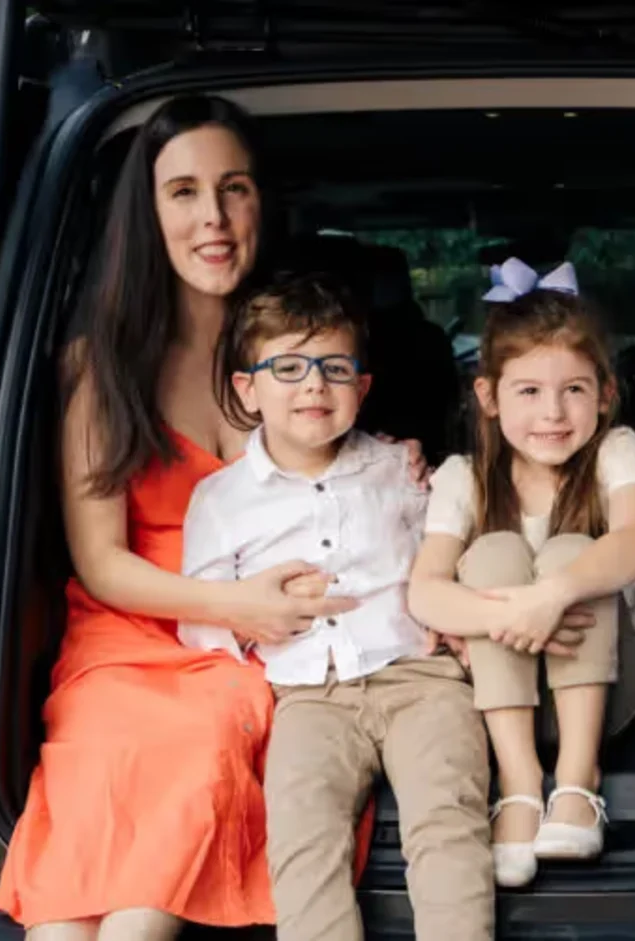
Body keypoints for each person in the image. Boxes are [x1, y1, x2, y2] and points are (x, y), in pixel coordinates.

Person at [0, 97, 360, 940]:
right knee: (85, 859)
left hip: (254, 652)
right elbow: (101, 562)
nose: (214, 218)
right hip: (127, 636)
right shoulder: (101, 363)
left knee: (204, 729)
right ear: (147, 213)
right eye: (184, 192)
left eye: (234, 189)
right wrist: (239, 606)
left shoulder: (294, 351)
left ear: (262, 202)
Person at [179, 273, 492, 941]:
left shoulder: (401, 469)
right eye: (287, 367)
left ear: (364, 387)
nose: (313, 384)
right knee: (300, 836)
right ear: (246, 389)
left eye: (334, 367)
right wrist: (258, 612)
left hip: (421, 680)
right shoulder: (222, 498)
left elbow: (447, 554)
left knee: (448, 821)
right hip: (308, 697)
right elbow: (201, 617)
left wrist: (458, 616)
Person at [408, 259, 635, 888]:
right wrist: (512, 615)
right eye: (528, 391)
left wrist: (553, 595)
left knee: (573, 552)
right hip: (505, 698)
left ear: (606, 394)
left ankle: (580, 781)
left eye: (574, 390)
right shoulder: (461, 479)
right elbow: (424, 589)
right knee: (493, 553)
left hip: (612, 691)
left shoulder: (615, 451)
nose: (553, 412)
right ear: (489, 398)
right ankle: (521, 785)